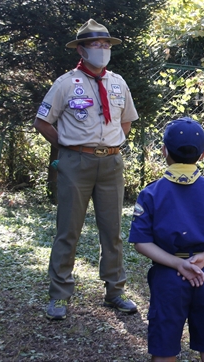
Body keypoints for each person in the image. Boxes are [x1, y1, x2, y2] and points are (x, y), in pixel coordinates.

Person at [33, 18, 139, 320]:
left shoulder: (118, 83)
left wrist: (111, 145)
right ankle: (59, 296)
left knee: (113, 231)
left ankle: (114, 291)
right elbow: (42, 121)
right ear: (81, 50)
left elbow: (127, 120)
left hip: (111, 164)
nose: (102, 49)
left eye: (106, 44)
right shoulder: (65, 83)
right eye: (96, 44)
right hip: (75, 163)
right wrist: (68, 144)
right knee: (68, 231)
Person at [128, 117, 204, 362]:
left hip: (167, 276)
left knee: (164, 345)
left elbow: (141, 242)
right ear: (202, 154)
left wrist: (178, 264)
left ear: (164, 151)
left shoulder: (151, 193)